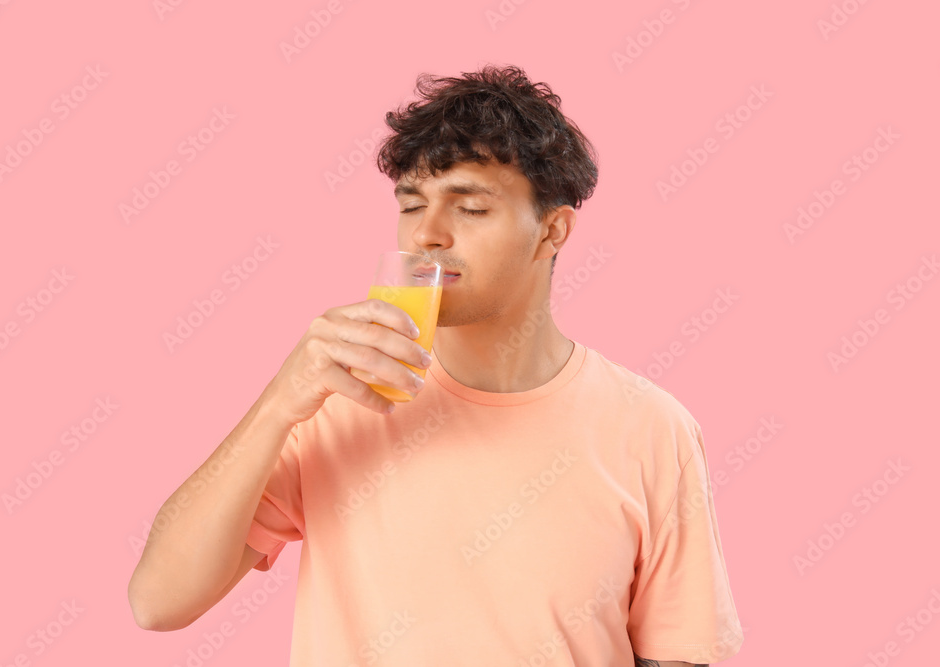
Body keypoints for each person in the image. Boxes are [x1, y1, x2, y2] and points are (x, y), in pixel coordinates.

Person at [128, 64, 744, 666]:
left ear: (553, 231)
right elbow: (158, 602)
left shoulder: (653, 430)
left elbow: (678, 653)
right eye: (411, 204)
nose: (427, 235)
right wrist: (276, 406)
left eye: (470, 208)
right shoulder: (339, 399)